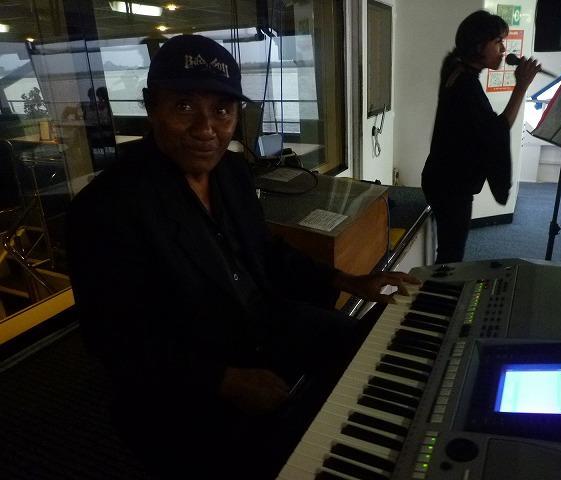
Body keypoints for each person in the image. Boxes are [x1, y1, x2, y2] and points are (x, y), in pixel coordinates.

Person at [66, 34, 418, 479]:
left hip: (259, 323)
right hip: (188, 373)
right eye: (184, 107)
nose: (206, 129)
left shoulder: (231, 171)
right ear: (151, 107)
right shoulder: (104, 208)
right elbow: (113, 338)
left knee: (366, 347)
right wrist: (223, 379)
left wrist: (348, 280)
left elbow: (265, 252)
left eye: (222, 110)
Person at [421, 10, 541, 264]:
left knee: (449, 249)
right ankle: (439, 287)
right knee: (451, 255)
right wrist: (521, 87)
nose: (503, 49)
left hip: (441, 178)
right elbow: (497, 131)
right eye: (497, 42)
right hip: (451, 186)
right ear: (478, 45)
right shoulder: (465, 84)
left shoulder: (455, 66)